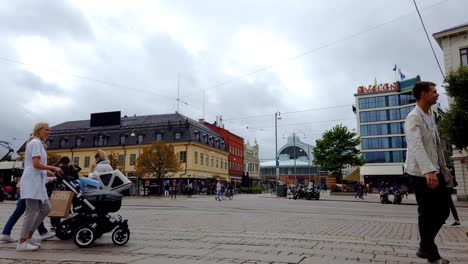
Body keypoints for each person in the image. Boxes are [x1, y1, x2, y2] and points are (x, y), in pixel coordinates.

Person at [404, 81, 453, 264]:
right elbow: (416, 145)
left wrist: (443, 170)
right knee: (426, 212)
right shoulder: (413, 118)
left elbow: (437, 147)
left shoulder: (431, 115)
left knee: (443, 211)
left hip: (435, 170)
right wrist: (428, 171)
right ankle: (432, 255)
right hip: (419, 173)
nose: (437, 94)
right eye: (433, 92)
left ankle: (425, 246)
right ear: (423, 94)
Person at [16, 122, 64, 251]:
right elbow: (36, 164)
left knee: (46, 208)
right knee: (31, 211)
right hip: (32, 181)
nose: (49, 132)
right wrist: (53, 167)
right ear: (38, 131)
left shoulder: (37, 144)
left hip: (37, 180)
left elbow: (36, 165)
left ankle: (28, 236)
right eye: (46, 130)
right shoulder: (36, 143)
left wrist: (49, 171)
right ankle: (22, 241)